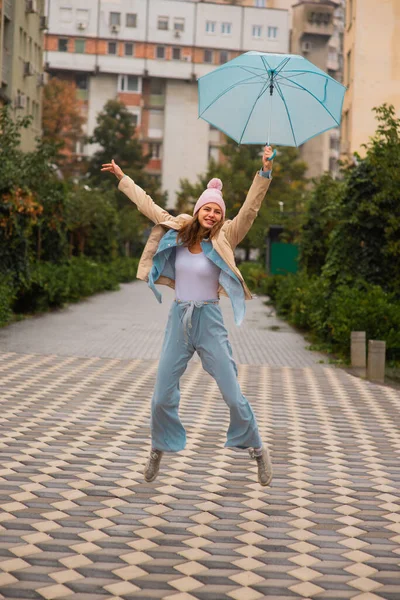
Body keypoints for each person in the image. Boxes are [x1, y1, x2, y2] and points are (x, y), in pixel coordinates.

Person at [101, 145, 274, 486]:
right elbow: (148, 206)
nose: (211, 214)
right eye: (206, 209)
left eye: (216, 211)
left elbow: (250, 210)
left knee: (231, 392)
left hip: (209, 321)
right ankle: (158, 449)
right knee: (162, 394)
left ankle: (257, 448)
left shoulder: (226, 236)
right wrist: (124, 178)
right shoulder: (179, 232)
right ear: (197, 211)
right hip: (179, 319)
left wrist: (264, 172)